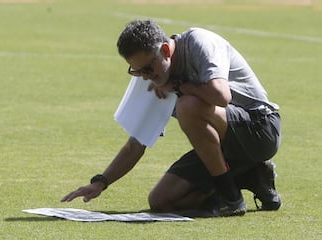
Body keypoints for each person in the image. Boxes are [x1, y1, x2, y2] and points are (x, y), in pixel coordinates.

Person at [61, 19, 282, 217]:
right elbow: (136, 144)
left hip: (261, 130)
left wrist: (177, 86)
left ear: (166, 50)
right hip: (223, 148)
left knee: (187, 105)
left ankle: (230, 199)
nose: (145, 77)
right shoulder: (151, 73)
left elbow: (221, 96)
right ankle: (251, 176)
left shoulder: (199, 43)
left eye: (147, 69)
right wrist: (101, 182)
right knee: (160, 200)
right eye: (136, 71)